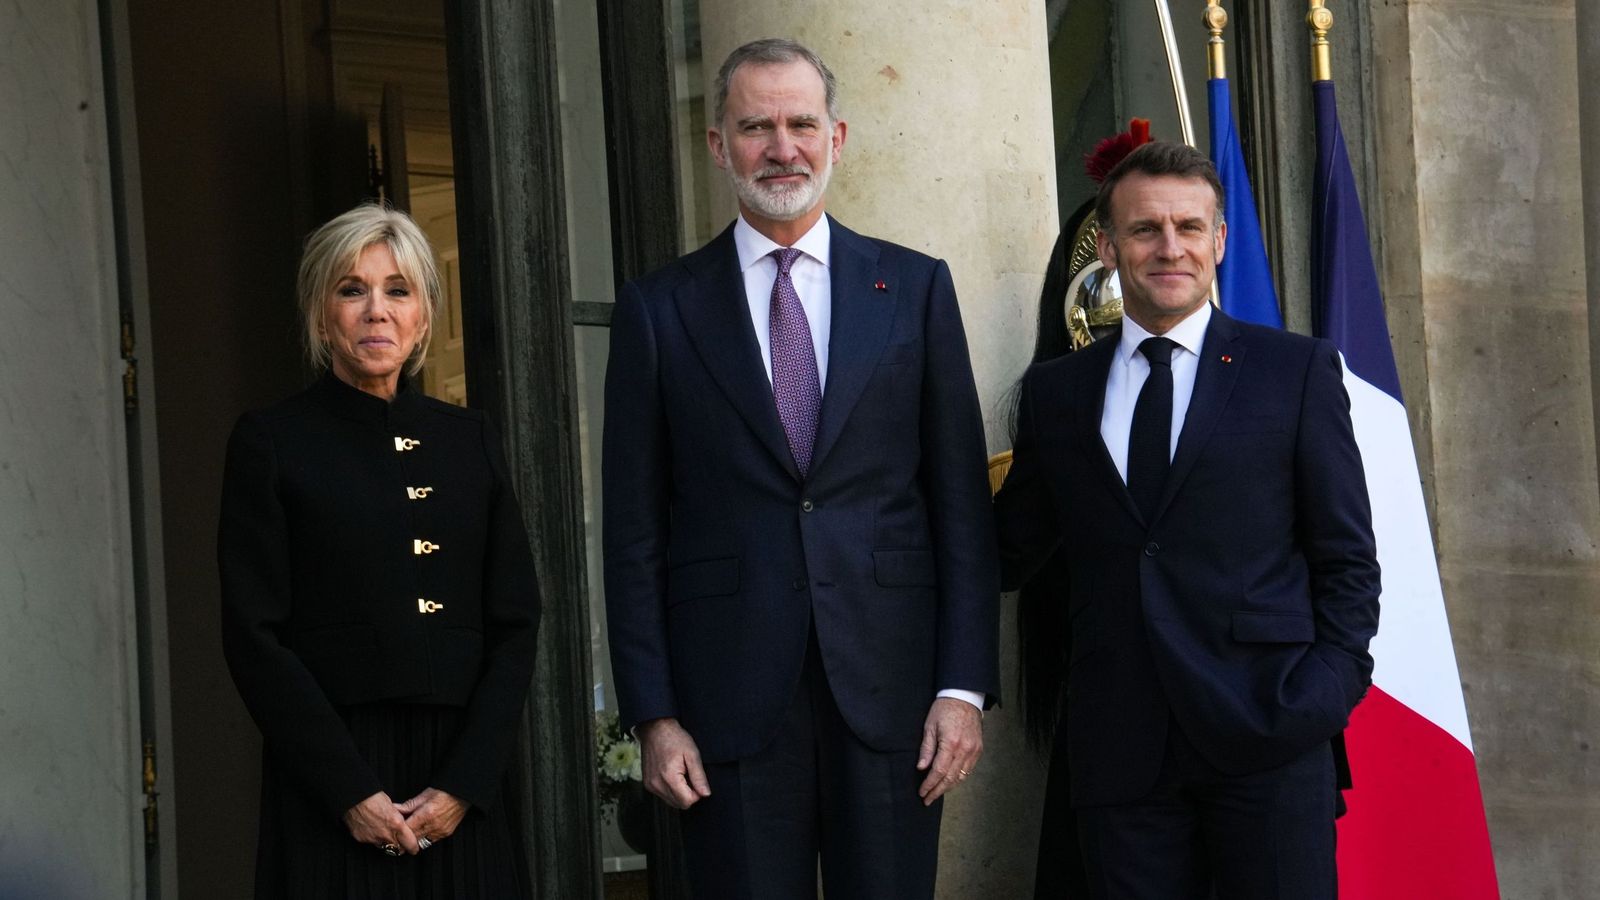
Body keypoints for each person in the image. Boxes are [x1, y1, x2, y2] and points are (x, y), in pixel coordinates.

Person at [602, 37, 999, 900]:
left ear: (838, 137)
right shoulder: (658, 310)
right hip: (726, 708)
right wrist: (654, 715)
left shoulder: (917, 288)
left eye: (800, 124)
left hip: (894, 698)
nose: (782, 147)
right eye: (756, 126)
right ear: (717, 145)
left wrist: (963, 687)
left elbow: (962, 506)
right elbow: (633, 529)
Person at [994, 141, 1380, 899]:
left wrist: (1323, 692)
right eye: (1145, 230)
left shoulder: (1295, 372)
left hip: (1268, 740)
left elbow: (1348, 560)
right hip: (1119, 753)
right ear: (1107, 246)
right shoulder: (1057, 392)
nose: (1169, 247)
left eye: (1189, 227)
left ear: (1219, 240)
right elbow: (1006, 551)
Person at [218, 203, 541, 898]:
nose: (376, 311)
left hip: (460, 779)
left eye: (398, 290)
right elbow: (254, 635)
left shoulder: (470, 439)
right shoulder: (273, 441)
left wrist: (464, 784)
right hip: (332, 780)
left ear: (423, 315)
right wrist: (348, 790)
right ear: (320, 312)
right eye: (351, 289)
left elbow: (516, 622)